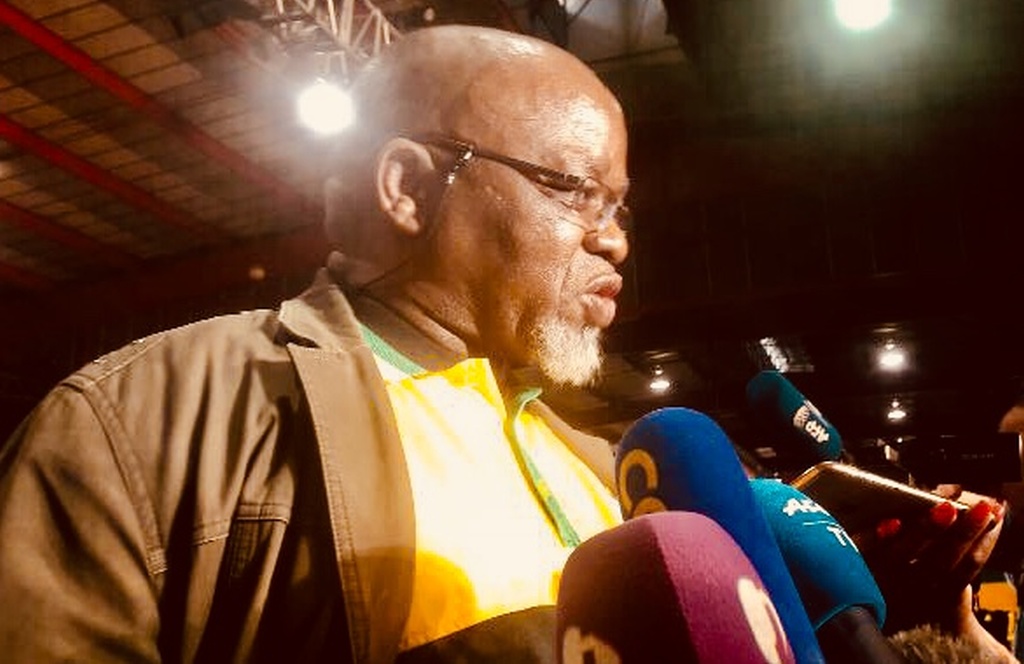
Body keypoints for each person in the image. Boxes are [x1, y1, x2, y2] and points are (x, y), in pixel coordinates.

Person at [0, 22, 1010, 664]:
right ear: (407, 188)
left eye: (619, 205)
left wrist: (907, 627)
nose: (616, 237)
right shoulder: (143, 422)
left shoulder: (608, 466)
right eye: (574, 188)